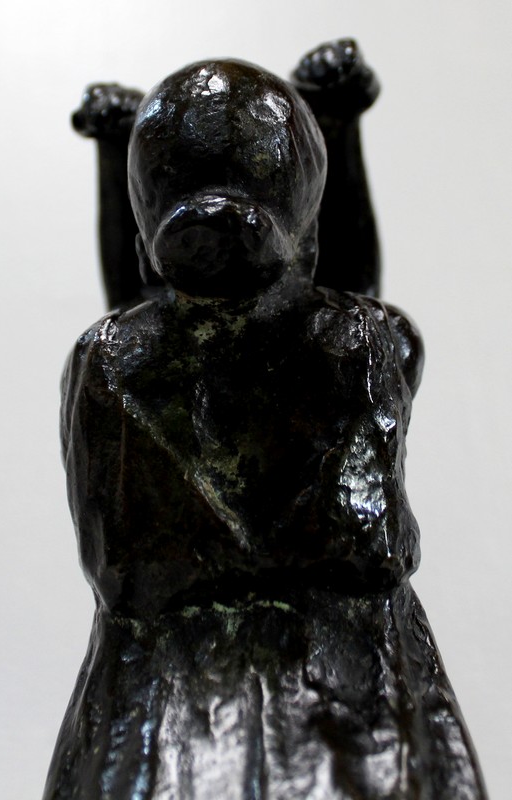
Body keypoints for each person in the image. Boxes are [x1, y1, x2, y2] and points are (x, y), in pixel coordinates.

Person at [44, 50, 487, 800]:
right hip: (342, 697)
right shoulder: (366, 342)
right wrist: (340, 127)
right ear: (304, 229)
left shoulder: (107, 361)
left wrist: (113, 158)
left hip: (172, 704)